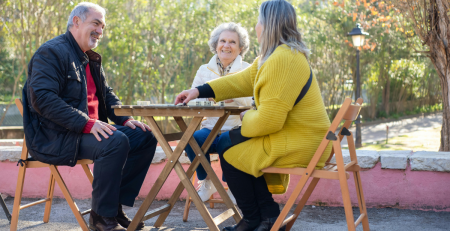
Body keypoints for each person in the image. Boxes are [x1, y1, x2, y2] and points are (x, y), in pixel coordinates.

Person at [175, 0, 332, 230]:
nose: (256, 26)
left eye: (259, 21)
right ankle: (266, 217)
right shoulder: (275, 56)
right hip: (302, 138)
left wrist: (245, 117)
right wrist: (199, 90)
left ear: (269, 24)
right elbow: (241, 81)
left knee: (229, 147)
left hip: (303, 142)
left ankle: (252, 219)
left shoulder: (283, 59)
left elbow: (269, 120)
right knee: (230, 143)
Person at [22, 2, 157, 231]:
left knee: (144, 136)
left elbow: (106, 95)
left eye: (102, 26)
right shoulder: (52, 52)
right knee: (115, 142)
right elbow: (43, 99)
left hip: (88, 130)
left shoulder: (90, 58)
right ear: (76, 21)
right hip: (56, 135)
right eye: (95, 23)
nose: (100, 31)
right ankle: (101, 220)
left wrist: (125, 119)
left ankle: (113, 208)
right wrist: (85, 123)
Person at [184, 22, 252, 204]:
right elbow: (193, 100)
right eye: (223, 41)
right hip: (210, 127)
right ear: (215, 45)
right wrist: (213, 98)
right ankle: (207, 180)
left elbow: (255, 101)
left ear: (241, 48)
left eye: (232, 42)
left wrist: (233, 96)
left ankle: (233, 185)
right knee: (191, 140)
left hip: (237, 128)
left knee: (225, 141)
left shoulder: (249, 70)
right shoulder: (203, 70)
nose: (226, 46)